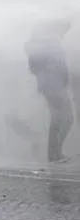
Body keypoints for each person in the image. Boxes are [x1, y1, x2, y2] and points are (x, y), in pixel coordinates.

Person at [26, 18, 74, 163]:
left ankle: (54, 154)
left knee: (59, 119)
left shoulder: (51, 44)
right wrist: (52, 77)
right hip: (53, 86)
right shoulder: (48, 45)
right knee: (64, 118)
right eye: (64, 30)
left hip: (53, 86)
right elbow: (37, 67)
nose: (65, 33)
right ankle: (55, 154)